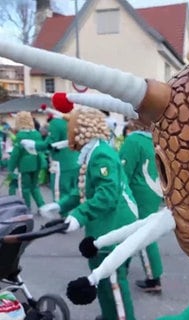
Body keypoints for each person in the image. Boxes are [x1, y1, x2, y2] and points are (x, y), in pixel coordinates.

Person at [40, 107, 138, 320]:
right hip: (107, 222)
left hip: (112, 224)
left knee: (112, 283)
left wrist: (79, 215)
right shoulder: (94, 150)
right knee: (103, 282)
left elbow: (107, 194)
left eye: (72, 128)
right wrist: (61, 205)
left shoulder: (100, 153)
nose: (70, 132)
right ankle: (109, 315)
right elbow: (85, 189)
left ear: (83, 128)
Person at [119, 119, 164, 293]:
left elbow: (123, 172)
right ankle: (126, 267)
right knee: (142, 233)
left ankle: (153, 278)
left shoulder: (133, 141)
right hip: (153, 191)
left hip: (137, 193)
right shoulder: (154, 139)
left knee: (141, 235)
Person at [21, 108, 79, 202]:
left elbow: (49, 144)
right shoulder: (75, 119)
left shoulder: (56, 123)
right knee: (74, 192)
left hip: (61, 164)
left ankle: (63, 215)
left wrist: (33, 145)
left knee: (59, 193)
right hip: (75, 161)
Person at [7, 111, 45, 210]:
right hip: (37, 163)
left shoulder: (20, 135)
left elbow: (16, 153)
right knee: (35, 187)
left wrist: (11, 167)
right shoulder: (37, 133)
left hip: (25, 165)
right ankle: (42, 206)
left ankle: (27, 208)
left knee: (25, 188)